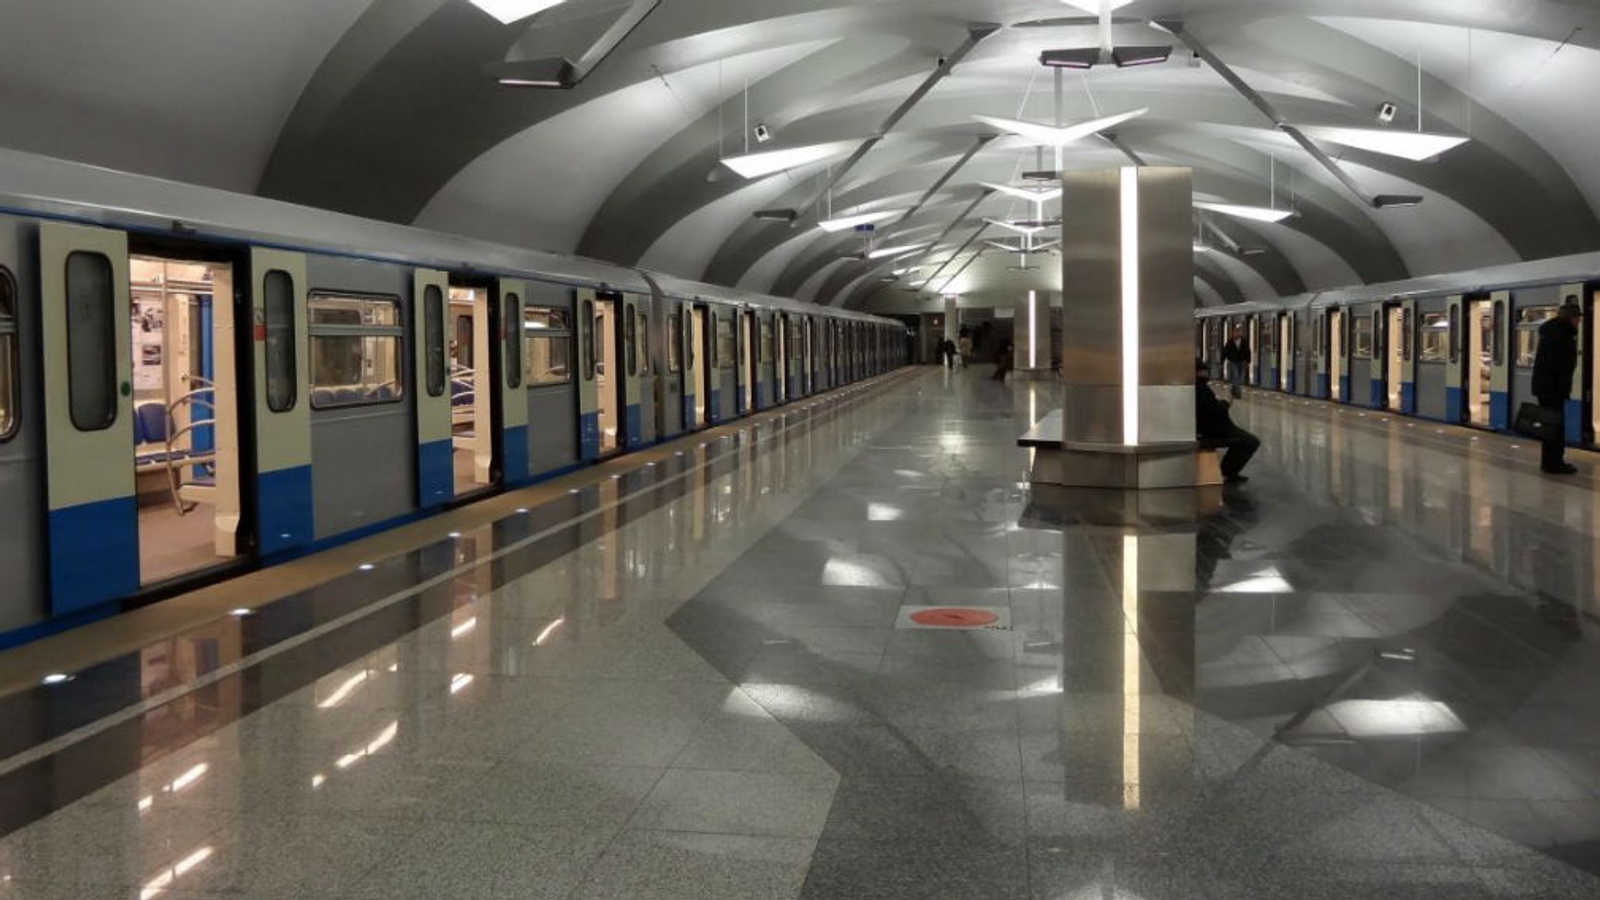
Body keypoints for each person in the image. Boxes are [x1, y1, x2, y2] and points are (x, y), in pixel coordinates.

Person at [1531, 301, 1582, 475]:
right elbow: (1556, 365)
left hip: (1547, 388)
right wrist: (1561, 388)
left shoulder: (1552, 332)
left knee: (1549, 427)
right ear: (1570, 319)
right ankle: (1554, 463)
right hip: (1552, 389)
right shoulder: (1560, 335)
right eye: (1577, 318)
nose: (1579, 322)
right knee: (1555, 427)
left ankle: (1550, 462)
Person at [1196, 358, 1260, 484]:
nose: (1206, 375)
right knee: (1250, 441)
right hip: (1213, 430)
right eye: (1204, 372)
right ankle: (1227, 471)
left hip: (1206, 427)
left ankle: (1228, 470)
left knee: (1244, 439)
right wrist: (1225, 404)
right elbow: (1212, 412)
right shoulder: (1201, 389)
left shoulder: (1197, 387)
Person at [1221, 326, 1250, 399]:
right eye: (1235, 332)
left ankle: (1233, 389)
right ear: (1233, 333)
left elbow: (1248, 351)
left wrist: (1248, 361)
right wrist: (1222, 361)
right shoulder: (1230, 342)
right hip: (1233, 362)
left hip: (1242, 362)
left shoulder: (1244, 341)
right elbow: (1225, 352)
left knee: (1241, 379)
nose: (1237, 333)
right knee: (1236, 377)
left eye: (1238, 332)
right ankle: (1238, 394)